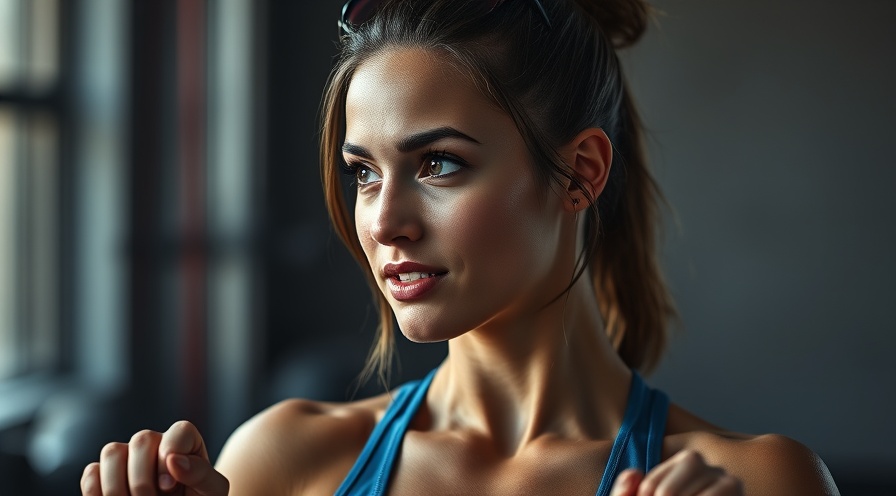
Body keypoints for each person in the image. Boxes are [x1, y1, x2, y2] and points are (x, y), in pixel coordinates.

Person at [80, 0, 841, 494]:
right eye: (364, 174)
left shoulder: (763, 481)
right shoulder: (283, 464)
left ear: (581, 172)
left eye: (439, 164)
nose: (383, 222)